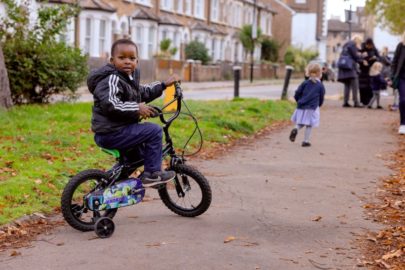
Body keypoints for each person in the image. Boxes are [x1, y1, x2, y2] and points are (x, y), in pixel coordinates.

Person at [87, 38, 180, 186]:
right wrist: (137, 108)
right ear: (112, 60)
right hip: (110, 133)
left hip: (119, 130)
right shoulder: (111, 79)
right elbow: (111, 104)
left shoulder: (128, 78)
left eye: (132, 58)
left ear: (137, 61)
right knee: (154, 131)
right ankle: (152, 174)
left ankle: (111, 185)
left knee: (138, 157)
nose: (127, 62)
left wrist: (163, 85)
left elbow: (141, 92)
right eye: (121, 58)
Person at [289, 63, 325, 147]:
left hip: (301, 106)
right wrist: (319, 105)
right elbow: (321, 97)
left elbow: (297, 93)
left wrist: (299, 101)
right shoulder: (320, 85)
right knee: (309, 124)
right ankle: (305, 141)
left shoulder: (304, 83)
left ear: (308, 72)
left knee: (301, 122)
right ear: (319, 74)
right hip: (312, 107)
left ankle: (295, 129)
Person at [337, 35, 364, 108]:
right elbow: (355, 56)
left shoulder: (346, 45)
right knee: (355, 85)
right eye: (360, 42)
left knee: (347, 85)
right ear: (357, 40)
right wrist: (362, 57)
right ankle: (356, 102)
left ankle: (345, 102)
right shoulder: (352, 44)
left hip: (344, 67)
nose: (360, 43)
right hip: (350, 67)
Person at [358, 38, 380, 106]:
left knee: (370, 86)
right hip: (363, 69)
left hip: (371, 70)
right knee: (362, 86)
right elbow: (358, 57)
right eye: (368, 45)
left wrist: (375, 58)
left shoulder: (374, 49)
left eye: (370, 45)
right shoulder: (361, 48)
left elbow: (379, 57)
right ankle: (363, 101)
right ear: (366, 44)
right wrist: (362, 61)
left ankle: (369, 102)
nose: (369, 47)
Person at [391, 32, 405, 134]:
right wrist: (393, 75)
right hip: (402, 77)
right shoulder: (401, 46)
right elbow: (394, 61)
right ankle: (403, 124)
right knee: (403, 100)